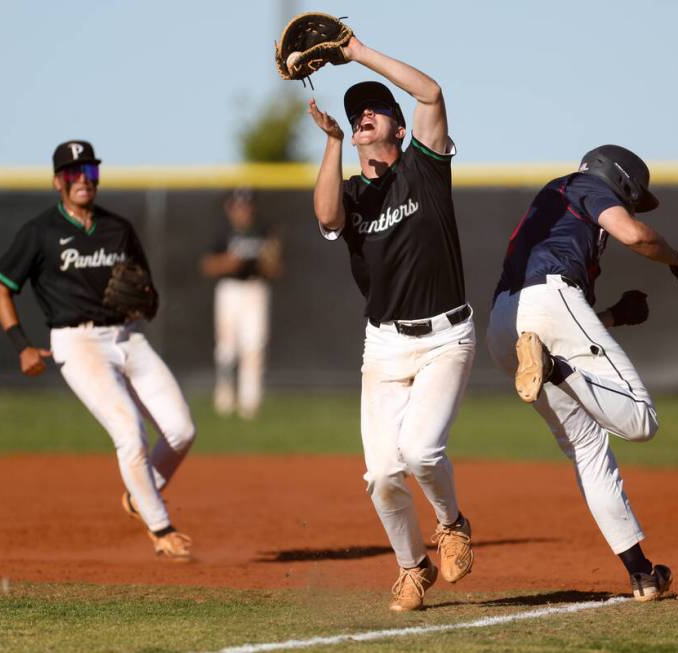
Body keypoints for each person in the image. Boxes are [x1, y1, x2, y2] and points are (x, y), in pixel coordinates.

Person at [486, 144, 678, 601]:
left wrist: (611, 316)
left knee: (589, 449)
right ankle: (553, 369)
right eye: (632, 196)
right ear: (622, 182)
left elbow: (552, 317)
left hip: (503, 325)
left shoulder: (556, 202)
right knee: (641, 420)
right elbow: (633, 234)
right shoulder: (587, 185)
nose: (630, 205)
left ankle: (642, 573)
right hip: (548, 310)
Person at [306, 36, 475, 611]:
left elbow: (430, 92)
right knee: (381, 474)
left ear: (400, 129)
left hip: (447, 337)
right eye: (356, 114)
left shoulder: (425, 168)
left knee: (422, 452)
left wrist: (354, 52)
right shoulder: (352, 196)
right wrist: (331, 142)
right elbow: (326, 216)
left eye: (375, 109)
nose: (362, 116)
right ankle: (412, 568)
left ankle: (451, 524)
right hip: (383, 347)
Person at [0, 140, 196, 561]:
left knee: (181, 430)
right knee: (130, 434)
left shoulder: (117, 228)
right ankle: (162, 530)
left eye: (90, 171)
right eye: (72, 173)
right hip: (77, 342)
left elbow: (144, 287)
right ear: (57, 182)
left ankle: (141, 496)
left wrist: (147, 299)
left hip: (127, 336)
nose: (83, 179)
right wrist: (22, 346)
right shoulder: (40, 232)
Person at [200, 188, 282, 419]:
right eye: (239, 205)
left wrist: (269, 260)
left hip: (255, 289)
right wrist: (229, 263)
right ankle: (224, 401)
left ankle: (250, 404)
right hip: (229, 290)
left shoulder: (264, 232)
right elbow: (207, 265)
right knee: (226, 349)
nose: (243, 210)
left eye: (247, 205)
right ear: (230, 208)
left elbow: (276, 268)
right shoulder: (222, 233)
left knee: (254, 347)